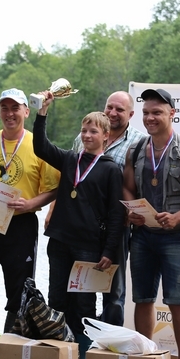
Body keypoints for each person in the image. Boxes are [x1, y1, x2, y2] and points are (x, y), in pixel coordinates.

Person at [0, 88, 59, 359]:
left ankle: (6, 345)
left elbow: (53, 188)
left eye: (15, 108)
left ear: (26, 112)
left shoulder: (38, 145)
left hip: (20, 224)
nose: (9, 114)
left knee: (18, 290)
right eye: (4, 108)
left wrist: (31, 205)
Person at [32, 91, 124, 359]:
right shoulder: (70, 160)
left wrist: (109, 250)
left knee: (84, 304)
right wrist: (42, 113)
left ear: (106, 137)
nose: (86, 135)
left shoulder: (111, 170)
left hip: (89, 247)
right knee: (57, 299)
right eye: (84, 130)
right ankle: (60, 354)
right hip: (60, 241)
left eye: (93, 131)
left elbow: (116, 213)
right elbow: (41, 147)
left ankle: (83, 358)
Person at [123, 88, 180, 359]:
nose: (150, 118)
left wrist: (179, 217)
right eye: (146, 113)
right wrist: (131, 210)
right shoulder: (136, 149)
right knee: (143, 299)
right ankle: (147, 357)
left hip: (176, 237)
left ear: (172, 113)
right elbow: (128, 187)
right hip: (143, 235)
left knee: (176, 301)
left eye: (157, 112)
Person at [47, 91, 145, 326]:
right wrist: (53, 207)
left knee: (113, 292)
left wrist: (135, 211)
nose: (113, 112)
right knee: (70, 292)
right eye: (109, 107)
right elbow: (70, 180)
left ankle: (107, 349)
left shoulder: (139, 142)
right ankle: (70, 346)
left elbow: (139, 183)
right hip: (77, 231)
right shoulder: (83, 138)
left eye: (119, 110)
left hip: (115, 227)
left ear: (130, 114)